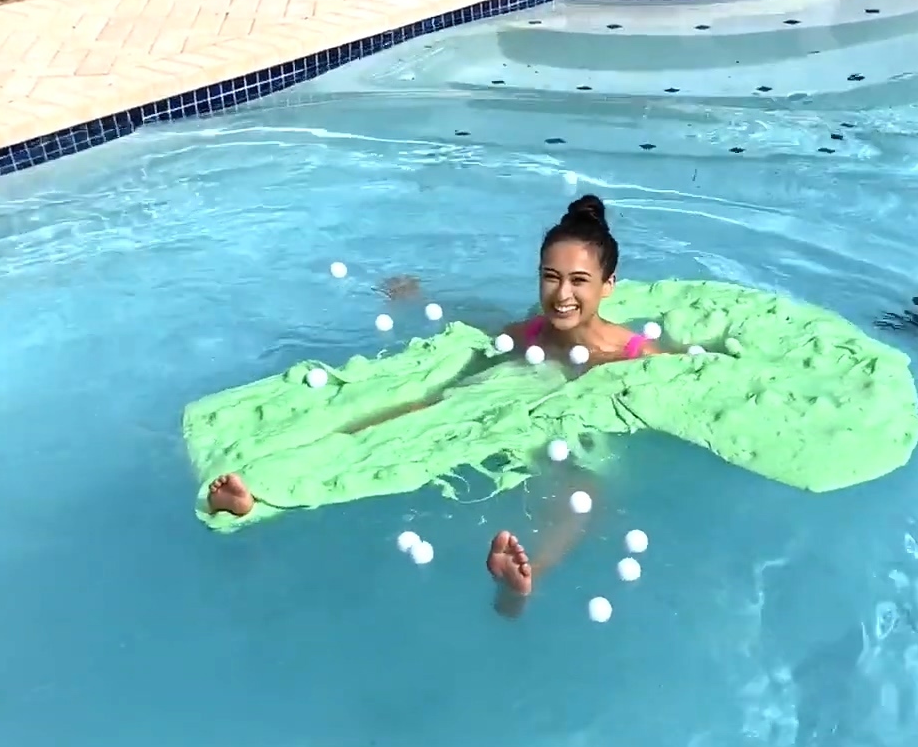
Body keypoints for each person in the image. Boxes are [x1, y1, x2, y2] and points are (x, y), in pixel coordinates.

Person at [204, 195, 660, 614]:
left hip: (575, 422)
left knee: (584, 485)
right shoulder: (531, 334)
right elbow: (479, 330)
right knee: (418, 411)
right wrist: (419, 299)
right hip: (511, 399)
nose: (562, 294)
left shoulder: (634, 354)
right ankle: (263, 492)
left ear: (608, 285)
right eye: (550, 277)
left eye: (579, 281)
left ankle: (527, 578)